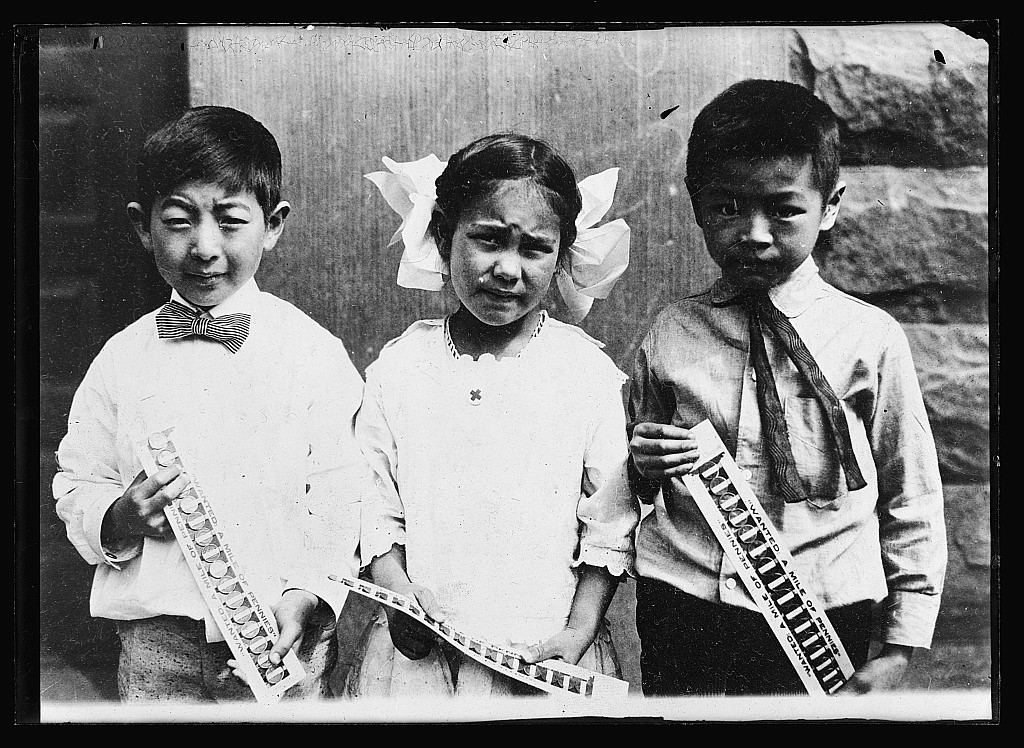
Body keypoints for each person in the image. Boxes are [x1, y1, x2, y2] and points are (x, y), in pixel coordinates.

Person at [627, 79, 947, 697]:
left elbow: (912, 490)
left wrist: (901, 644)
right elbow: (621, 483)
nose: (754, 232)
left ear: (830, 206)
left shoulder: (868, 339)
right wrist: (642, 465)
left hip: (824, 609)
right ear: (695, 204)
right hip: (684, 603)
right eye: (726, 208)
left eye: (784, 209)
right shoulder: (670, 334)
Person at [53, 106, 366, 702]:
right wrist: (118, 517)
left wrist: (310, 594)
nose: (204, 247)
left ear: (272, 225)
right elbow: (78, 479)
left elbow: (342, 490)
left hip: (281, 633)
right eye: (178, 221)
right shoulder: (121, 359)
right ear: (142, 226)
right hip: (155, 641)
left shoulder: (312, 353)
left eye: (230, 221)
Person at [346, 133, 637, 697]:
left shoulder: (585, 374)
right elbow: (373, 502)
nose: (508, 269)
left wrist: (579, 629)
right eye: (487, 241)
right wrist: (398, 594)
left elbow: (610, 517)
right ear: (442, 233)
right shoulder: (402, 368)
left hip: (545, 654)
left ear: (563, 254)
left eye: (534, 248)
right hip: (421, 664)